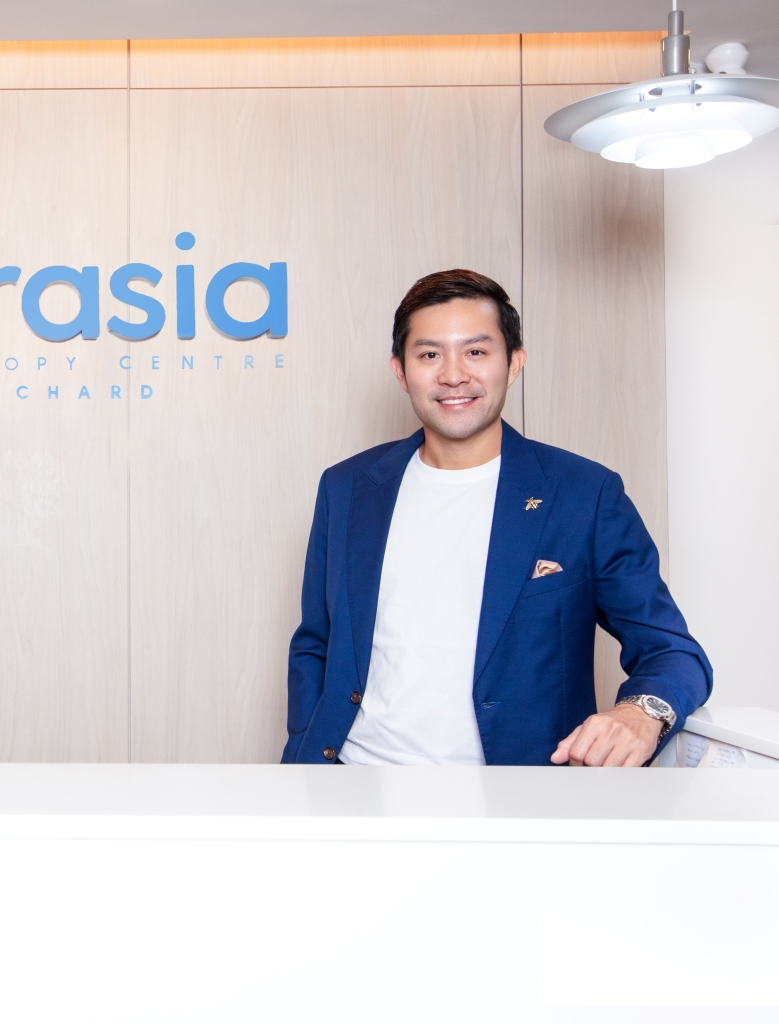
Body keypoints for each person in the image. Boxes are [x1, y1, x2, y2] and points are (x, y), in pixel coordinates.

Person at [283, 269, 710, 767]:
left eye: (476, 352)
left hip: (518, 796)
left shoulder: (584, 494)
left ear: (513, 364)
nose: (453, 375)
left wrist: (641, 712)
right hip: (354, 783)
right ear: (400, 371)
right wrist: (302, 766)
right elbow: (315, 647)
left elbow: (672, 651)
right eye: (429, 355)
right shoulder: (347, 488)